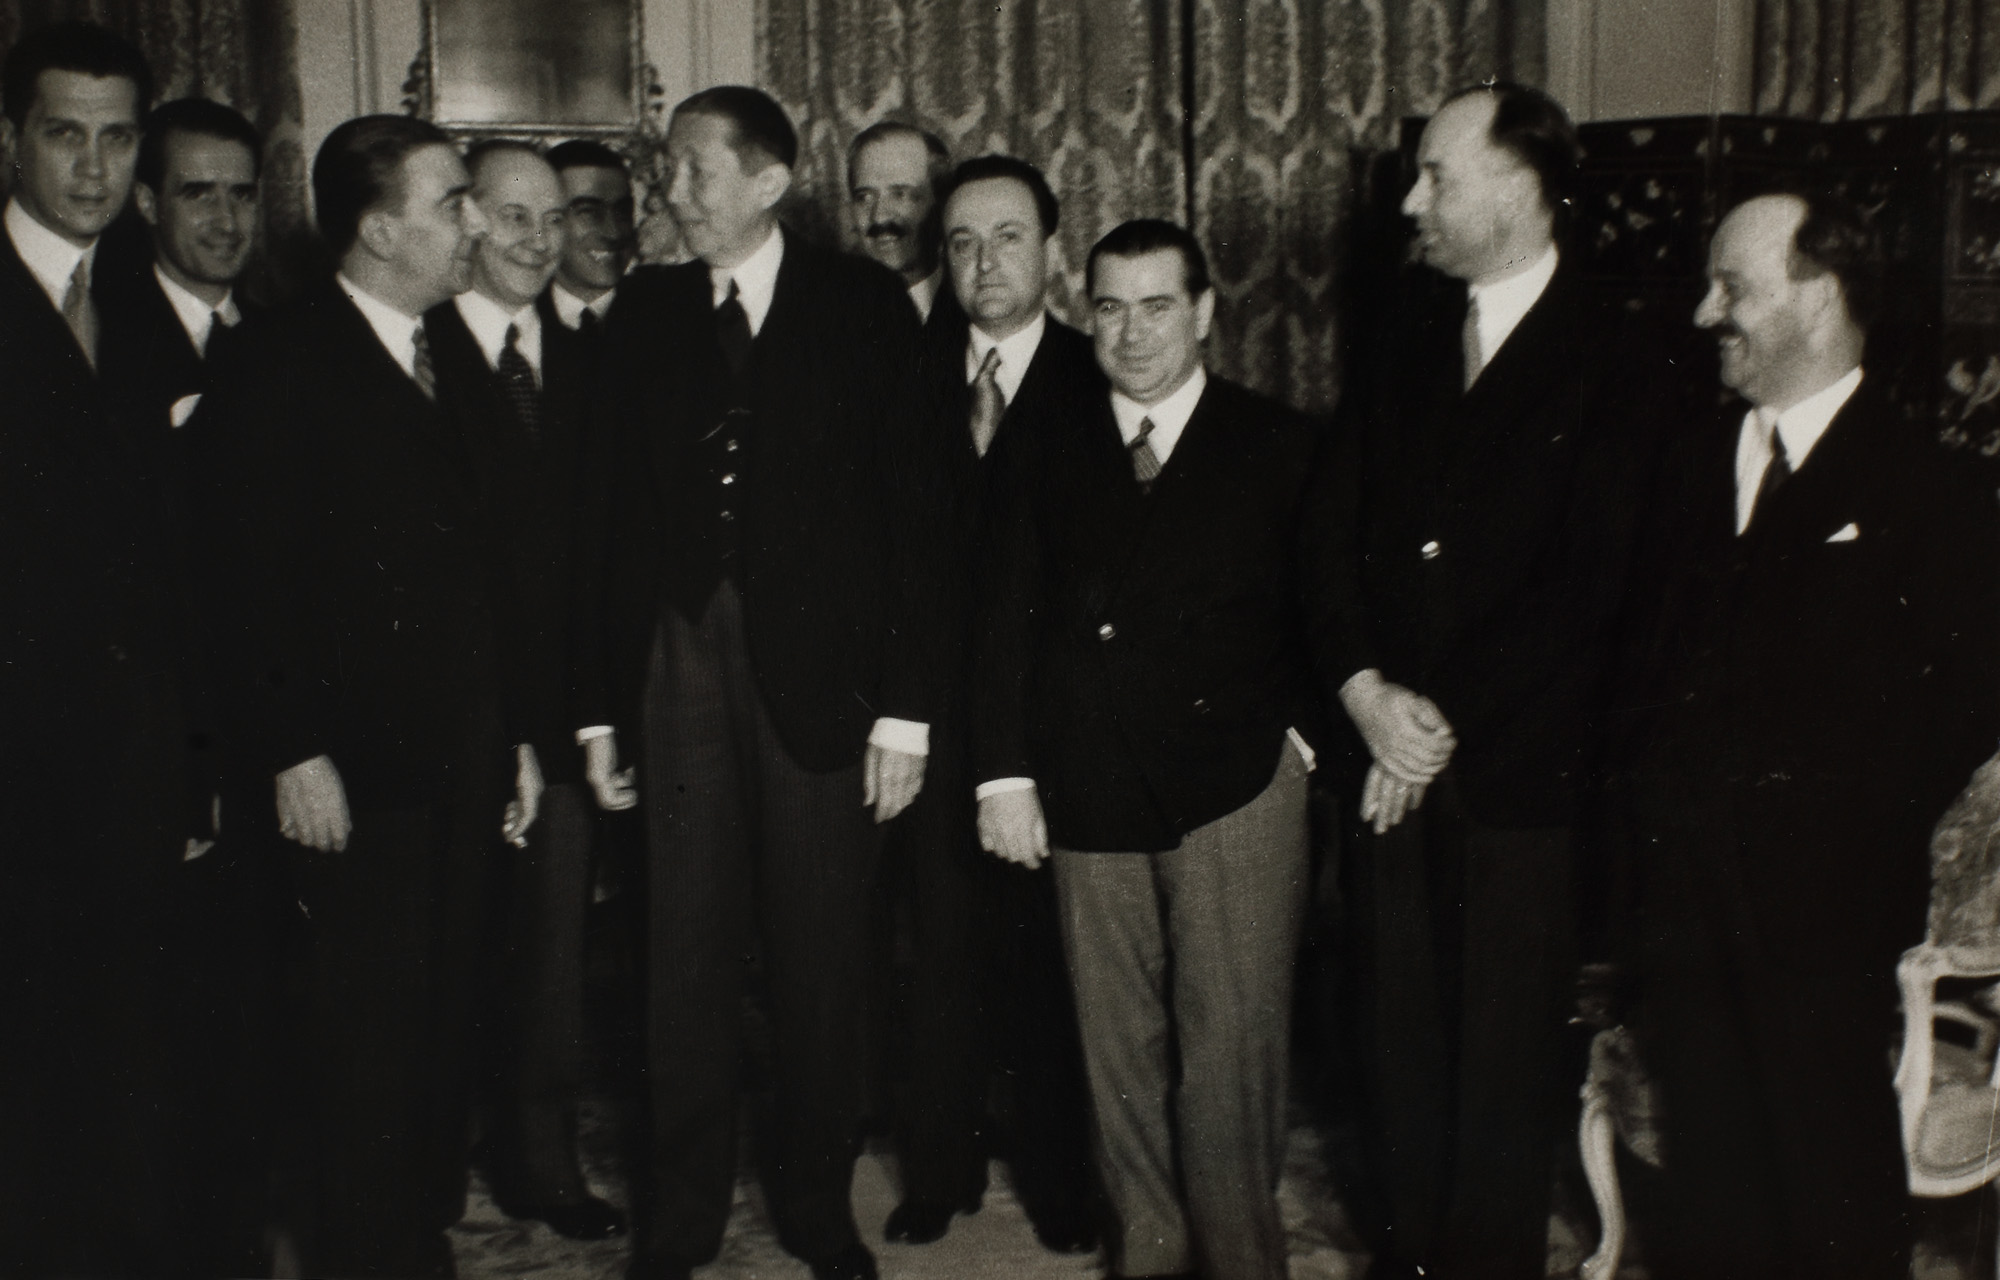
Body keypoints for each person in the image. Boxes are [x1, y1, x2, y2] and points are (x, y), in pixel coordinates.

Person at [579, 85, 954, 1280]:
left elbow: (921, 517)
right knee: (679, 959)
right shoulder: (642, 310)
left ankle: (816, 1208)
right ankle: (681, 1217)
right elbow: (602, 522)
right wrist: (598, 708)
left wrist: (906, 710)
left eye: (695, 170)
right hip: (675, 664)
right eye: (669, 169)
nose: (672, 192)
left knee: (819, 965)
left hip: (825, 682)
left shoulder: (862, 307)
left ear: (769, 181)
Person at [1610, 189, 2000, 1279]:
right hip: (1681, 898)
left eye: (1730, 287)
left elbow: (1971, 693)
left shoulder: (1930, 485)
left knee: (1827, 1189)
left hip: (1826, 909)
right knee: (1708, 1184)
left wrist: (1839, 821)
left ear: (1819, 295)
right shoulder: (1682, 464)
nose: (1703, 312)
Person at [1328, 82, 1672, 1279]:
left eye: (1435, 176)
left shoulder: (1624, 350)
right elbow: (1330, 529)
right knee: (1392, 1048)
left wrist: (1432, 725)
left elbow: (1591, 585)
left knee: (1499, 1070)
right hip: (1386, 766)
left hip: (1519, 780)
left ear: (1521, 187)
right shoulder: (1402, 330)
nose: (1409, 203)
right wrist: (1365, 693)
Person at [974, 218, 1340, 1280]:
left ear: (1204, 312)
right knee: (1115, 1052)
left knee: (1231, 1053)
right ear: (1084, 313)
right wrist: (1003, 773)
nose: (1131, 334)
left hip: (1234, 788)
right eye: (1109, 308)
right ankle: (1149, 1250)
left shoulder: (1278, 441)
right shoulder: (1042, 444)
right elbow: (998, 620)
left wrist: (1300, 746)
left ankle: (1241, 1260)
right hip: (1086, 785)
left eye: (1156, 307)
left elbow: (1331, 609)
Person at [185, 113, 512, 1278]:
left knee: (438, 1028)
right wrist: (291, 749)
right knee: (358, 1046)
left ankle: (410, 1237)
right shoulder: (277, 362)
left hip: (458, 764)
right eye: (452, 202)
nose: (476, 223)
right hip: (350, 778)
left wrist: (511, 742)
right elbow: (238, 581)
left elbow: (484, 567)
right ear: (377, 231)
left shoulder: (449, 347)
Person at [0, 21, 198, 1273]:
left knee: (132, 1061)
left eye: (117, 137)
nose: (92, 166)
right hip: (14, 767)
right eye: (64, 134)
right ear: (9, 139)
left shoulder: (144, 297)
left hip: (133, 765)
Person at [883, 152, 1099, 1252]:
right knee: (937, 951)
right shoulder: (902, 373)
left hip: (1055, 731)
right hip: (931, 724)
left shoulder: (1098, 375)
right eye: (962, 242)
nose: (984, 263)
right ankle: (939, 1167)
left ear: (1052, 249)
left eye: (1008, 237)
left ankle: (1060, 1177)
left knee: (1053, 958)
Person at [422, 139, 626, 1244]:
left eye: (555, 219)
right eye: (513, 218)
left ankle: (542, 1162)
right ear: (466, 220)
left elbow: (600, 561)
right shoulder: (420, 350)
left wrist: (592, 719)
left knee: (551, 959)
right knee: (443, 957)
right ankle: (427, 1167)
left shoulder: (591, 361)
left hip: (562, 720)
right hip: (445, 719)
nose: (539, 241)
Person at [103, 96, 260, 437]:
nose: (227, 222)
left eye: (242, 195)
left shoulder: (286, 337)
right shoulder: (104, 338)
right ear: (148, 203)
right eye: (199, 195)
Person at [847, 119, 954, 326]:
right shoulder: (829, 313)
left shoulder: (972, 309)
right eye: (864, 197)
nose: (879, 217)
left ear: (942, 203)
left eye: (900, 194)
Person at [546, 138, 635, 333]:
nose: (613, 232)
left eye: (622, 211)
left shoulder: (671, 316)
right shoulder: (516, 317)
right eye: (589, 212)